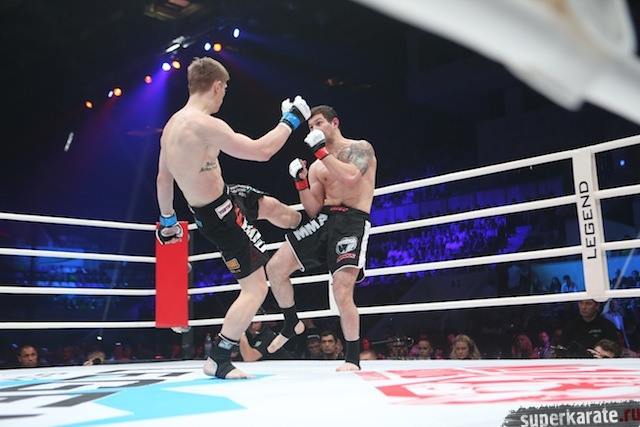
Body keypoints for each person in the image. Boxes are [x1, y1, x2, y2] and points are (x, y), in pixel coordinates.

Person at [155, 56, 311, 379]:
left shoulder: (170, 127)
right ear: (216, 86)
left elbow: (163, 179)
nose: (224, 95)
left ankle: (312, 232)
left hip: (224, 198)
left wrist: (168, 220)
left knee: (273, 208)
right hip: (220, 217)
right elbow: (261, 151)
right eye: (225, 89)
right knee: (256, 289)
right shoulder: (203, 124)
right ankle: (219, 357)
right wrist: (292, 120)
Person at [265, 104, 377, 372]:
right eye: (310, 126)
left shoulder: (360, 148)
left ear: (334, 123)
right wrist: (301, 181)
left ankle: (352, 358)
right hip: (325, 219)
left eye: (318, 123)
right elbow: (313, 208)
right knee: (275, 267)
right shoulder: (317, 166)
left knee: (341, 288)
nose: (314, 129)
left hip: (352, 220)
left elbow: (351, 178)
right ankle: (291, 322)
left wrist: (321, 152)